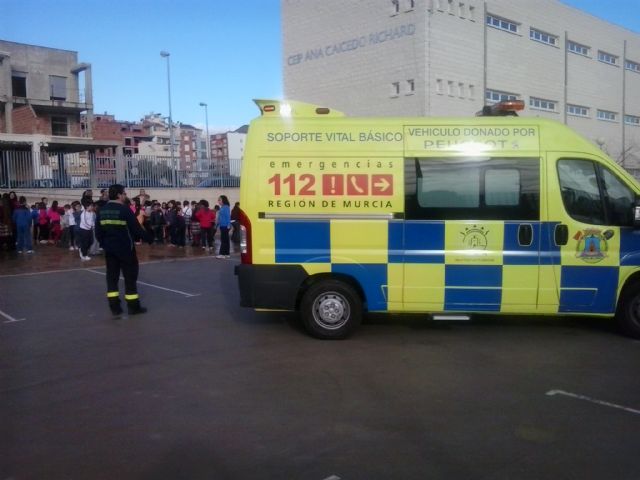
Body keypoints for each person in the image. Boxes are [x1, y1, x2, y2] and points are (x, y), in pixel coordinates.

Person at [96, 184, 151, 316]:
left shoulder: (102, 210)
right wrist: (149, 237)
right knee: (130, 278)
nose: (125, 196)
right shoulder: (125, 210)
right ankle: (133, 307)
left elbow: (98, 232)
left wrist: (104, 245)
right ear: (119, 195)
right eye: (124, 193)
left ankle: (114, 307)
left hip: (110, 250)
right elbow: (136, 228)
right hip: (126, 250)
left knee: (111, 278)